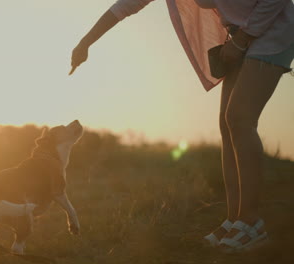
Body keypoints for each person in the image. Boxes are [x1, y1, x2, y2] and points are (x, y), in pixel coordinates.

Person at [70, 0, 294, 252]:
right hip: (239, 36)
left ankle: (252, 223)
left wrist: (243, 38)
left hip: (273, 29)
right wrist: (85, 42)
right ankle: (235, 219)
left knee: (240, 118)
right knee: (227, 124)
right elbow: (123, 7)